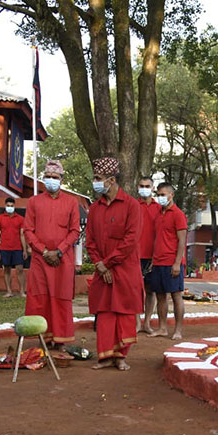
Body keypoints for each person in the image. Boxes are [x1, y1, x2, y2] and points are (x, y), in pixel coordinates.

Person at [85, 157, 144, 370]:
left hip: (125, 269)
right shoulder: (94, 208)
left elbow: (130, 240)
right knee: (105, 312)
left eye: (98, 178)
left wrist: (106, 264)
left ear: (111, 180)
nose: (95, 182)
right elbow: (89, 241)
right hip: (103, 270)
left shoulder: (132, 205)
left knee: (124, 313)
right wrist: (99, 264)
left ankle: (121, 357)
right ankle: (105, 357)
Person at [23, 160, 82, 349]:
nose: (51, 180)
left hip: (63, 259)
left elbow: (74, 231)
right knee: (40, 298)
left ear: (61, 180)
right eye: (47, 177)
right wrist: (44, 250)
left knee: (61, 298)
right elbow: (28, 230)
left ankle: (61, 339)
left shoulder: (72, 202)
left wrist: (58, 251)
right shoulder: (33, 201)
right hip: (40, 259)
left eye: (54, 177)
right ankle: (43, 338)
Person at [149, 182, 187, 340]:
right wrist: (153, 259)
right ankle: (162, 328)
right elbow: (157, 238)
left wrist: (177, 263)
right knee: (160, 296)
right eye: (158, 195)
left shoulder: (178, 214)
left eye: (163, 195)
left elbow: (182, 240)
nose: (160, 198)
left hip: (172, 262)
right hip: (158, 262)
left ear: (171, 195)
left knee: (176, 295)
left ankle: (178, 330)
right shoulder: (158, 214)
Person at [136, 175, 160, 334]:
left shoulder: (159, 208)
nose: (144, 188)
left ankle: (147, 322)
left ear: (153, 188)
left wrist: (156, 256)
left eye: (147, 186)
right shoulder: (132, 206)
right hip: (134, 255)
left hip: (153, 257)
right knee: (136, 290)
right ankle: (137, 322)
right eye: (141, 185)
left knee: (151, 290)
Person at [0, 197, 28, 297]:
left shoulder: (21, 219)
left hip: (17, 248)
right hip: (4, 248)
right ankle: (9, 291)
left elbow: (22, 235)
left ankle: (22, 291)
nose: (10, 207)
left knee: (20, 270)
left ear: (14, 206)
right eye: (8, 206)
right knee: (6, 270)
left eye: (12, 206)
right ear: (5, 206)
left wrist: (25, 250)